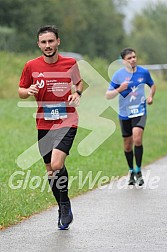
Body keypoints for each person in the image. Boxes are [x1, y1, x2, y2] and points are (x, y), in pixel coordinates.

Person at [18, 25, 83, 229]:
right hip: (43, 122)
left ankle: (64, 205)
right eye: (43, 42)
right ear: (38, 44)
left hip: (67, 120)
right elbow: (21, 90)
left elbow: (79, 83)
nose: (48, 45)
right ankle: (63, 206)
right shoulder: (31, 66)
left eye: (51, 41)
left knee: (56, 164)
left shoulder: (70, 63)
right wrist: (28, 90)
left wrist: (77, 94)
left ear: (58, 42)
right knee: (50, 171)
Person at [106, 48, 156, 186]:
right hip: (124, 113)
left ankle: (139, 170)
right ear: (123, 61)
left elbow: (152, 85)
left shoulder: (143, 72)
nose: (133, 59)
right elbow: (108, 95)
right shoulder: (118, 75)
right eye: (129, 58)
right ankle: (131, 171)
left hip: (139, 111)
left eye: (134, 57)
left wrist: (151, 96)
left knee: (137, 138)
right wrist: (119, 89)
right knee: (128, 145)